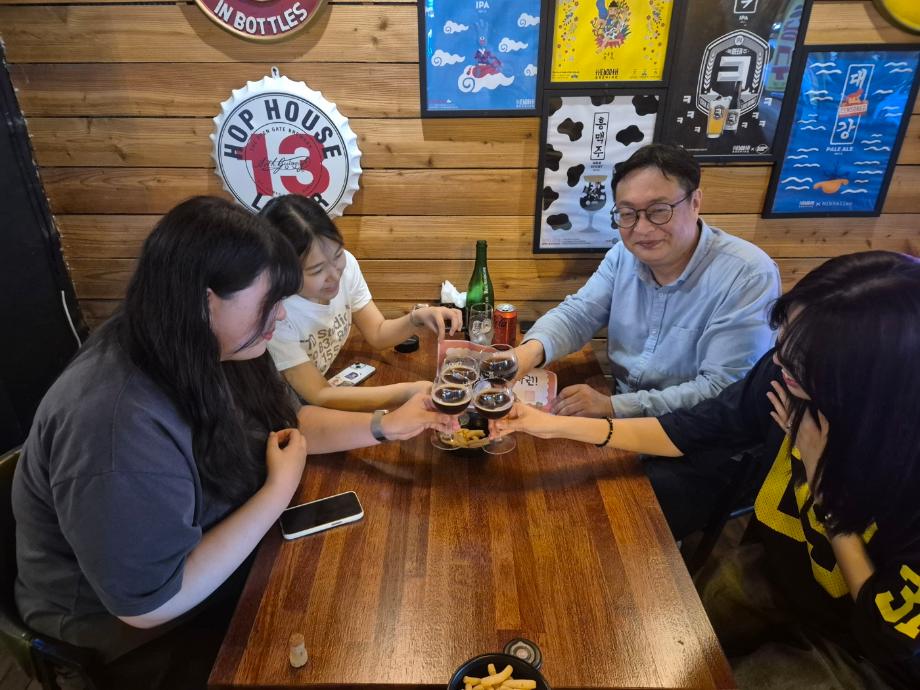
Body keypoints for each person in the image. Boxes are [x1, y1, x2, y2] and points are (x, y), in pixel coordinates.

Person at [11, 196, 456, 689]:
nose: (280, 316)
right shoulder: (113, 422)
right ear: (207, 301)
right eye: (271, 302)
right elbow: (149, 603)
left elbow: (289, 426)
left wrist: (385, 427)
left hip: (223, 557)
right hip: (132, 637)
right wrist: (277, 491)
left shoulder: (205, 343)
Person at [496, 251, 920, 689]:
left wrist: (825, 489)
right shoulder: (787, 378)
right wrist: (551, 426)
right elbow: (692, 429)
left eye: (806, 356)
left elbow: (886, 637)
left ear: (874, 379)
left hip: (859, 648)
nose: (780, 359)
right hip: (778, 571)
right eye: (786, 335)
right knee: (652, 639)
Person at [259, 194, 463, 411]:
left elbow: (378, 332)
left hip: (326, 394)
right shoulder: (275, 313)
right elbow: (319, 394)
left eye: (337, 255)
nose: (334, 275)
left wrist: (416, 319)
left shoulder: (346, 268)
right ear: (283, 271)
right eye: (317, 270)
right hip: (283, 411)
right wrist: (407, 392)